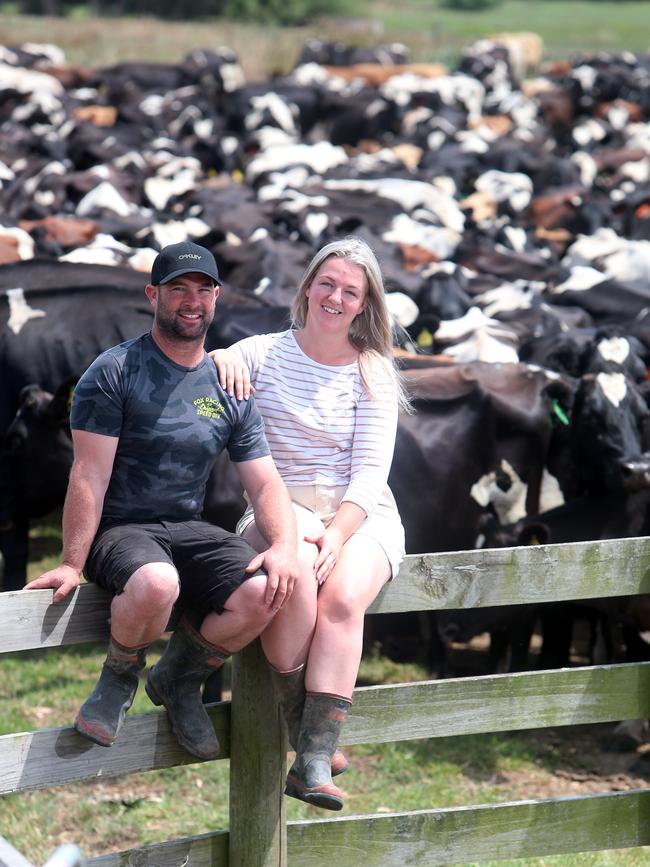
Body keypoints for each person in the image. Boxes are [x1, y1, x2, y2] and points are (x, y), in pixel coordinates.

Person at [25, 240, 299, 761]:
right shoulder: (113, 372)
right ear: (154, 294)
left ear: (216, 298)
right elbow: (89, 473)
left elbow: (264, 481)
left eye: (203, 289)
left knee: (268, 588)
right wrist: (69, 562)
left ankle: (178, 677)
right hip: (122, 530)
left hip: (184, 527)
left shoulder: (227, 384)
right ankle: (119, 676)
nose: (191, 301)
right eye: (178, 289)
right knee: (156, 582)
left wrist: (284, 543)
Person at [211, 236, 409, 810]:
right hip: (280, 505)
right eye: (327, 283)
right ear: (307, 288)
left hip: (360, 512)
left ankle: (314, 757)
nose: (335, 297)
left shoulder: (373, 370)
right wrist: (219, 359)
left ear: (366, 304)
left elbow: (372, 473)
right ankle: (311, 737)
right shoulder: (262, 352)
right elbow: (209, 376)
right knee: (290, 569)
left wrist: (339, 534)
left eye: (351, 291)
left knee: (344, 598)